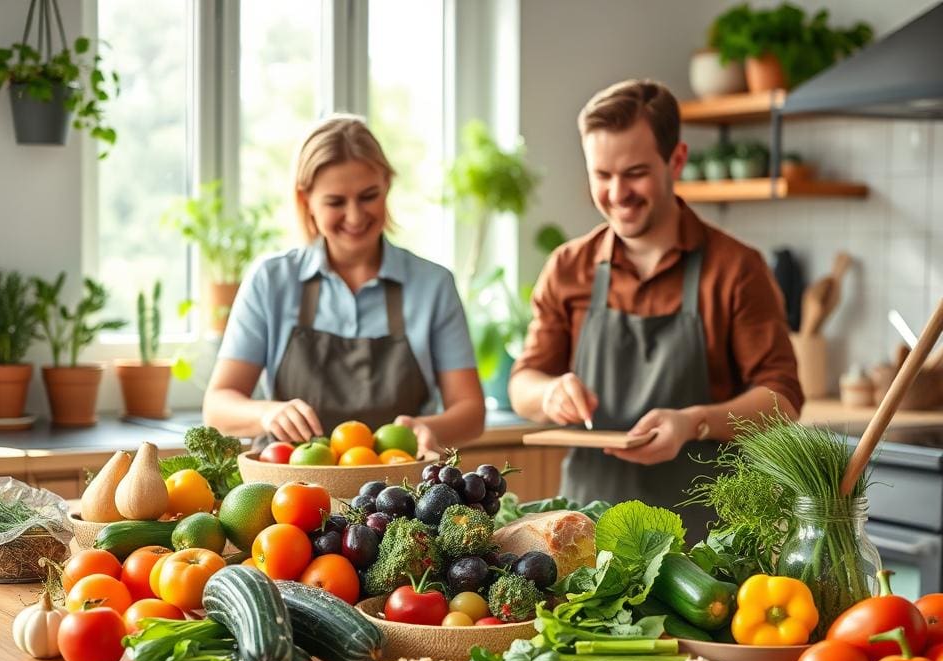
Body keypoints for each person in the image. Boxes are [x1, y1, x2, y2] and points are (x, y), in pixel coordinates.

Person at [508, 79, 803, 543]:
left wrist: (694, 422)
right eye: (602, 175)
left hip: (705, 543)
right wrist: (550, 394)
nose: (617, 193)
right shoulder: (568, 267)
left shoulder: (737, 269)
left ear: (677, 160)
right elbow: (523, 383)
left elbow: (783, 402)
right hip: (585, 534)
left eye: (635, 173)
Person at [203, 115, 485, 454]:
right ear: (305, 200)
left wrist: (427, 428)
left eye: (369, 196)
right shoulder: (270, 282)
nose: (354, 216)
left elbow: (471, 411)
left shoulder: (433, 285)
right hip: (289, 496)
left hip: (401, 493)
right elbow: (217, 406)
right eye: (336, 202)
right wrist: (268, 413)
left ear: (387, 186)